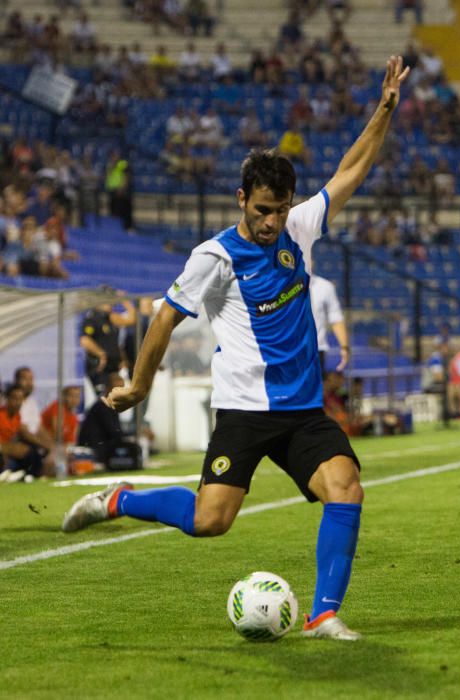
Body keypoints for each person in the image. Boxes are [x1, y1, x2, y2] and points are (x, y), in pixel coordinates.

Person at [62, 56, 410, 642]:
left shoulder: (300, 227)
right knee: (210, 520)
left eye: (280, 208)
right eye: (262, 209)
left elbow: (351, 171)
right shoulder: (215, 257)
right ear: (241, 197)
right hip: (245, 413)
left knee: (346, 487)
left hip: (301, 413)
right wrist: (142, 384)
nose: (273, 220)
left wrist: (383, 110)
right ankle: (118, 498)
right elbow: (164, 317)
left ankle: (323, 614)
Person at [80, 298, 136, 396]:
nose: (110, 304)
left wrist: (125, 301)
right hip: (100, 367)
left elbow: (132, 319)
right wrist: (100, 354)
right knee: (103, 398)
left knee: (116, 396)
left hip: (114, 367)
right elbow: (84, 340)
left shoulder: (111, 318)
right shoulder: (92, 319)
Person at [309, 273, 349, 375]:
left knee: (312, 389)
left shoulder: (325, 286)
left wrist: (344, 347)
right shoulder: (279, 283)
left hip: (316, 350)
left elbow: (336, 318)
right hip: (287, 349)